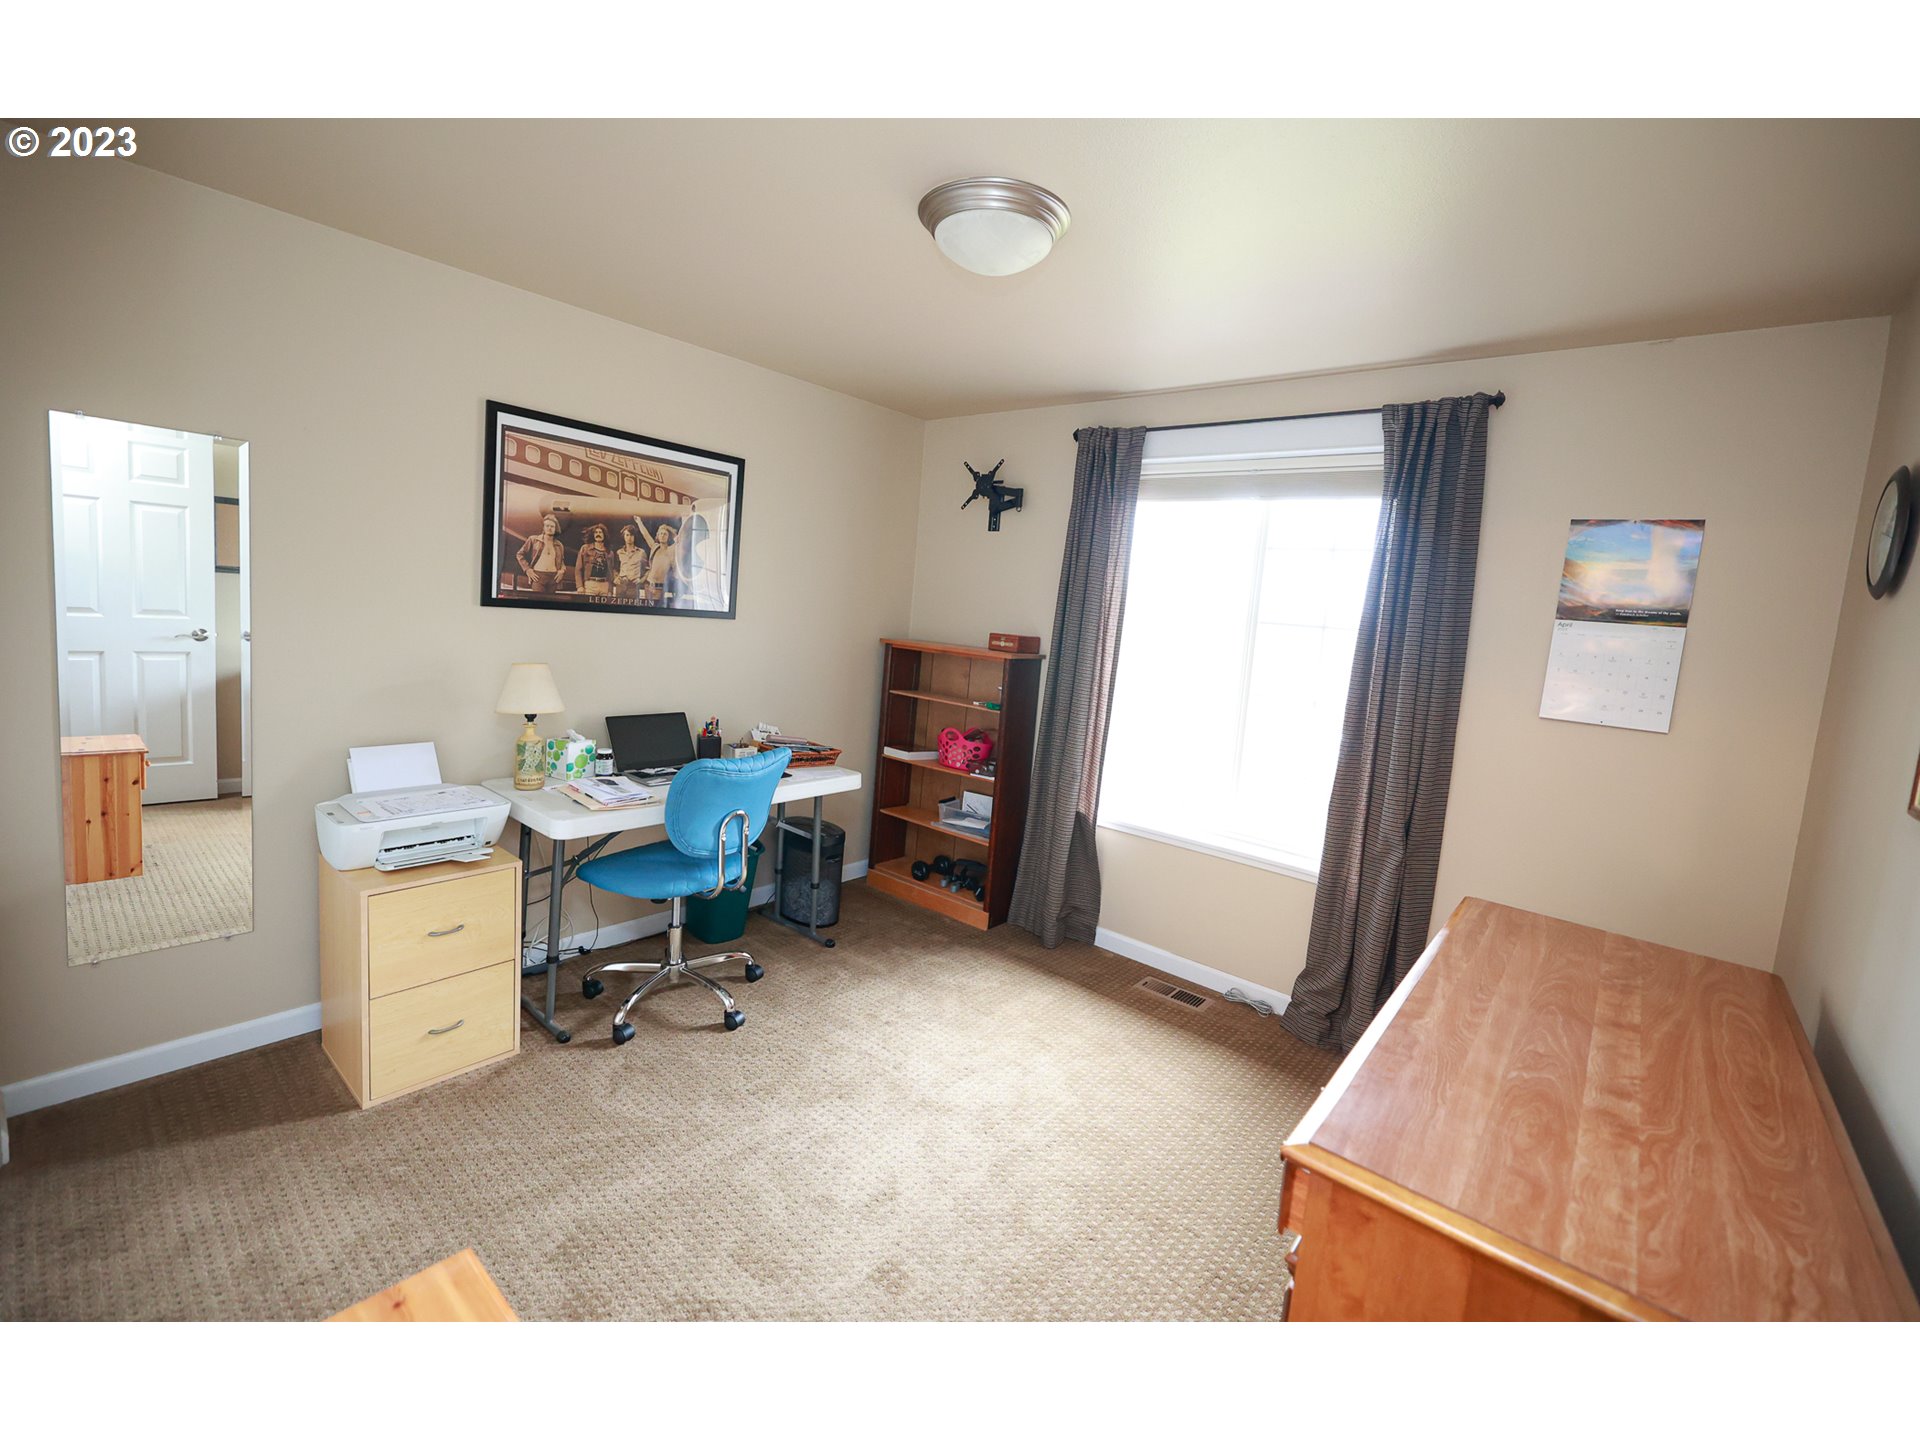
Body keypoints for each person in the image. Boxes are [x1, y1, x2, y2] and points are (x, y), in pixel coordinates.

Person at [515, 513, 567, 594]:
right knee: (537, 601)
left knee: (551, 603)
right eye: (547, 526)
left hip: (553, 578)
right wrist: (527, 569)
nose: (549, 528)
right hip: (538, 576)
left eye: (552, 526)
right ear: (543, 527)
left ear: (555, 528)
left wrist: (562, 571)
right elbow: (520, 554)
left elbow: (562, 561)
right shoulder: (534, 540)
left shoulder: (559, 545)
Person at [576, 522, 613, 602]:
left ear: (604, 535)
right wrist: (579, 586)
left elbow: (611, 572)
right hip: (590, 584)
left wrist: (610, 589)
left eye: (600, 532)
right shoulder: (585, 548)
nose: (598, 534)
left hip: (604, 585)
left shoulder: (609, 552)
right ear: (593, 535)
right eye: (596, 532)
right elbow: (578, 569)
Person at [614, 524, 646, 604]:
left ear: (634, 537)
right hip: (621, 585)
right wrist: (616, 577)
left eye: (631, 535)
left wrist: (641, 580)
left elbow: (647, 570)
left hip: (634, 586)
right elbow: (614, 568)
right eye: (627, 535)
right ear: (624, 536)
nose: (629, 538)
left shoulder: (641, 552)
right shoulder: (619, 552)